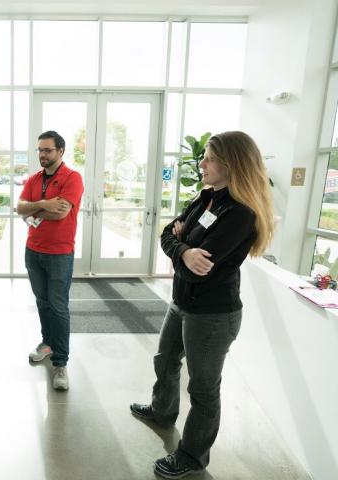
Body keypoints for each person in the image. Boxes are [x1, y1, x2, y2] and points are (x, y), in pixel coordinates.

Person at [130, 131, 275, 478]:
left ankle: (193, 456)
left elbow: (199, 271)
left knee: (203, 388)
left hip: (213, 315)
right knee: (165, 361)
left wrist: (182, 245)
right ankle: (162, 411)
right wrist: (183, 248)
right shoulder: (206, 198)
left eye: (209, 158)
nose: (202, 163)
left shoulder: (240, 213)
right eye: (204, 156)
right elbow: (168, 233)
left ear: (232, 163)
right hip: (180, 303)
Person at [17, 130, 84, 391]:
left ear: (60, 151)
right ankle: (47, 343)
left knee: (58, 307)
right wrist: (44, 203)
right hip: (33, 251)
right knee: (42, 302)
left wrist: (33, 206)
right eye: (40, 150)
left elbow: (60, 215)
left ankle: (61, 363)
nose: (43, 155)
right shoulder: (34, 179)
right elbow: (19, 207)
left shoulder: (72, 178)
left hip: (59, 254)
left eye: (48, 150)